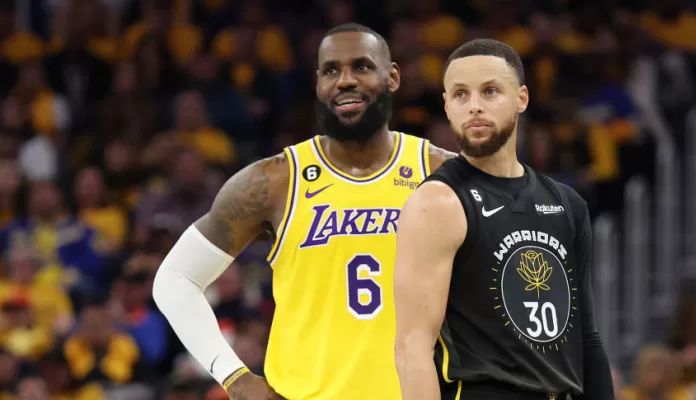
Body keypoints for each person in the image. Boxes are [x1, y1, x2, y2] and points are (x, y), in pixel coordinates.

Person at [152, 23, 455, 400]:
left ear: (392, 76)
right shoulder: (273, 181)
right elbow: (175, 279)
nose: (345, 80)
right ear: (317, 84)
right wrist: (237, 380)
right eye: (331, 70)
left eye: (361, 66)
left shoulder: (445, 175)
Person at [393, 39, 614, 400]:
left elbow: (586, 338)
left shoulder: (567, 204)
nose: (474, 106)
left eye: (490, 91)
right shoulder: (436, 202)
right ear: (447, 106)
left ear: (521, 98)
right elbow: (412, 347)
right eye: (460, 95)